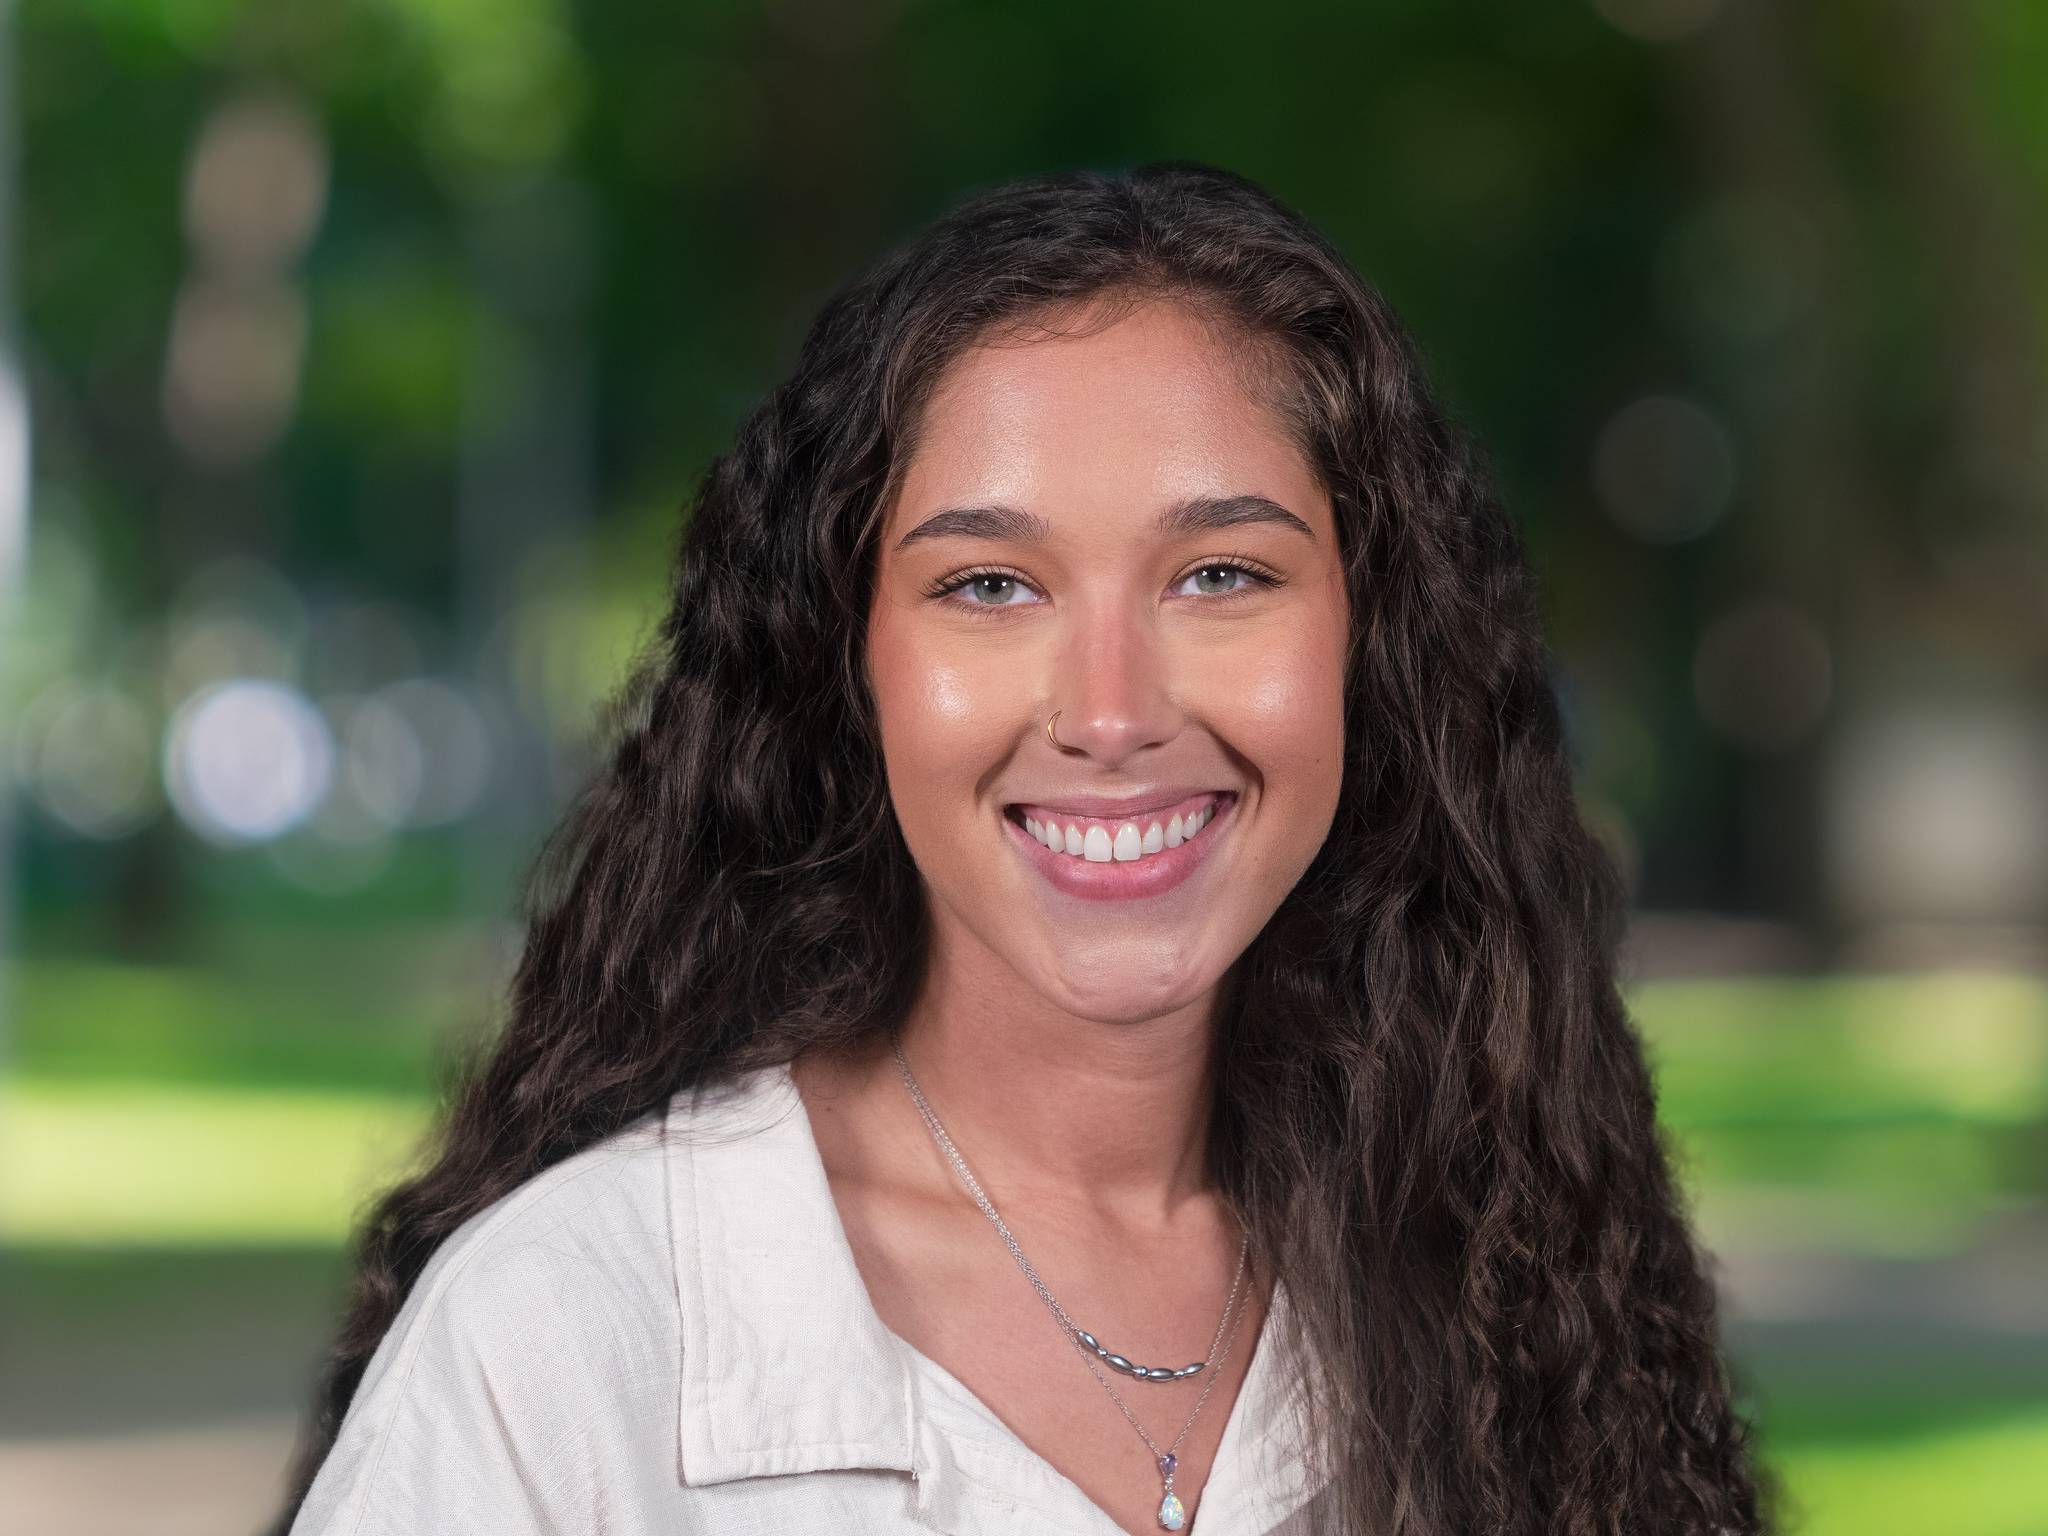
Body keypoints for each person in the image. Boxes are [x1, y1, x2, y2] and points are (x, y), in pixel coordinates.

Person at [268, 161, 1775, 1536]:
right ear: (846, 664)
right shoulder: (566, 1342)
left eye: (1221, 573)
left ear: (1369, 644)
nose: (1109, 713)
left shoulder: (1510, 1284)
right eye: (990, 585)